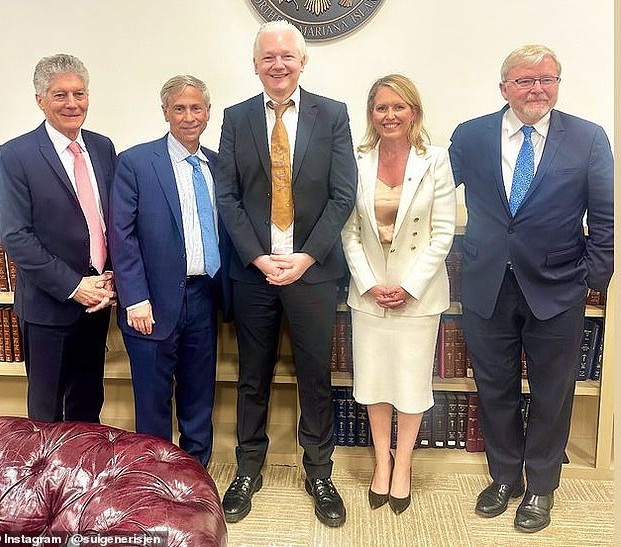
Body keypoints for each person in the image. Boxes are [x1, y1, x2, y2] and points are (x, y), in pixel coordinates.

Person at [449, 44, 613, 533]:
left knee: (552, 392)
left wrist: (593, 279)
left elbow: (603, 218)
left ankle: (541, 486)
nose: (537, 88)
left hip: (558, 288)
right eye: (524, 80)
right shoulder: (471, 135)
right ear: (504, 88)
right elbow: (429, 193)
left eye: (547, 79)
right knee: (494, 387)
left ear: (558, 84)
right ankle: (505, 478)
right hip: (486, 284)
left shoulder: (588, 138)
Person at [216, 20, 357, 527]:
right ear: (256, 65)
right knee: (251, 378)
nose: (278, 64)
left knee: (315, 379)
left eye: (286, 56)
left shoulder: (333, 115)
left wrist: (306, 257)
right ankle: (247, 469)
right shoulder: (235, 118)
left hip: (312, 273)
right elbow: (227, 197)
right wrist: (257, 256)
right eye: (267, 57)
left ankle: (319, 472)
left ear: (303, 61)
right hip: (253, 273)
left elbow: (344, 195)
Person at [341, 74, 457, 515]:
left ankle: (403, 465)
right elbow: (348, 230)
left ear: (414, 111)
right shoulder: (357, 159)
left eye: (398, 107)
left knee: (410, 384)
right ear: (371, 114)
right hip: (369, 293)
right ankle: (380, 463)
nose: (389, 115)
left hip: (418, 296)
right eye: (380, 108)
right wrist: (370, 282)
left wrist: (408, 287)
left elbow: (442, 233)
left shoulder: (437, 160)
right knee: (373, 384)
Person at [109, 75, 231, 467]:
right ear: (165, 113)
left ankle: (196, 473)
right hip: (152, 302)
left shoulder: (217, 164)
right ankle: (154, 479)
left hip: (203, 297)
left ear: (208, 113)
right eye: (179, 108)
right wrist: (135, 298)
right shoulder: (136, 162)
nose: (189, 116)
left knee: (199, 394)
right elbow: (121, 235)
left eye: (197, 107)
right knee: (152, 399)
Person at [0, 54, 116, 423]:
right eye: (60, 95)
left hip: (96, 303)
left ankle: (82, 478)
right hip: (50, 307)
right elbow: (17, 237)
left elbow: (110, 222)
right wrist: (74, 285)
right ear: (40, 99)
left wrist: (109, 277)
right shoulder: (15, 156)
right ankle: (47, 483)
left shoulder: (103, 147)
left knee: (87, 406)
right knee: (47, 414)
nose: (72, 103)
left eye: (79, 93)